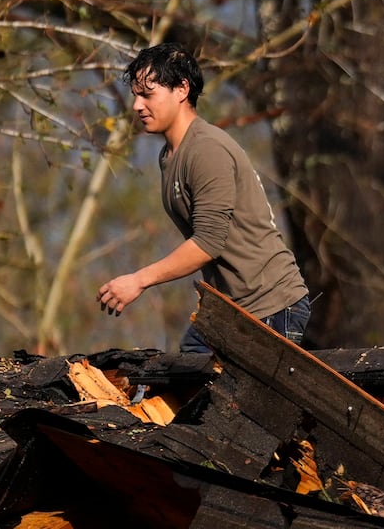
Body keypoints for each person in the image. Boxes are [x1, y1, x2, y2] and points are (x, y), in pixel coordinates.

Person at [96, 42, 311, 353]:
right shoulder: (169, 156)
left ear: (182, 89)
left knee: (222, 396)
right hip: (232, 310)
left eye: (147, 94)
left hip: (272, 306)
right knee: (185, 376)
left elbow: (208, 243)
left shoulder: (206, 149)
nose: (137, 106)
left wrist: (138, 280)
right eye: (135, 96)